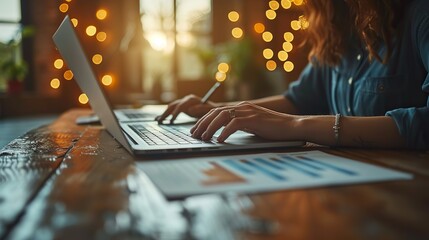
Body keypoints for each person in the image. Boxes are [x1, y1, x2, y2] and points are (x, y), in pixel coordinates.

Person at [156, 0, 429, 150]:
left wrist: (294, 125)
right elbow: (298, 99)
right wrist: (218, 110)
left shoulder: (419, 16)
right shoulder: (337, 28)